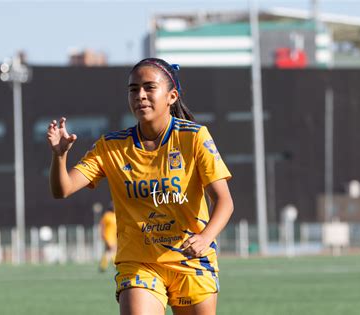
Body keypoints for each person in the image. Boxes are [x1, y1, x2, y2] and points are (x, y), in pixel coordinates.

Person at [48, 58, 234, 315]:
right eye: (133, 89)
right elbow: (63, 189)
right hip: (139, 264)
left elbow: (224, 201)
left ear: (172, 96)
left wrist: (205, 237)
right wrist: (59, 156)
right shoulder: (110, 146)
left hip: (190, 261)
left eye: (149, 87)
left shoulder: (194, 137)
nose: (140, 95)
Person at [99, 201, 117, 272]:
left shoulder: (115, 215)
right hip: (108, 236)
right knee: (113, 250)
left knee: (109, 252)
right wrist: (103, 234)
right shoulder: (107, 215)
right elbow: (102, 225)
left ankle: (103, 265)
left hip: (114, 237)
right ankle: (114, 265)